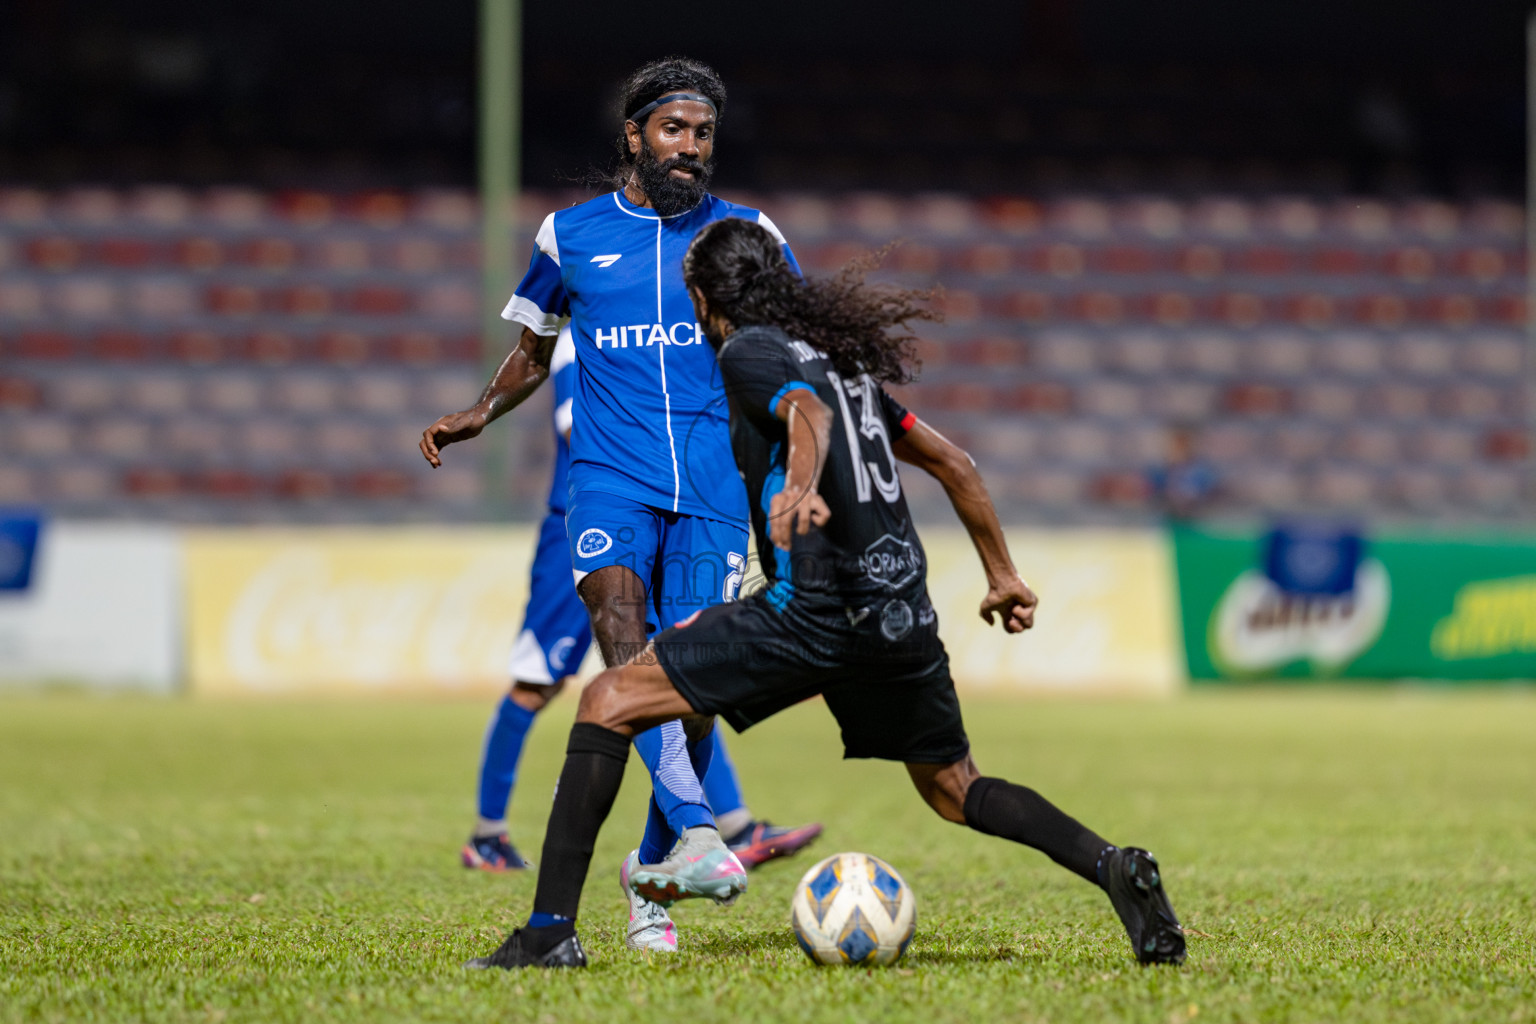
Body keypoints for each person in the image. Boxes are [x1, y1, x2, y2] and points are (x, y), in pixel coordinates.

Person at [465, 218, 1187, 970]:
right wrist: (1002, 574)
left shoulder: (748, 349)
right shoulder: (846, 367)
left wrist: (799, 487)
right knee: (953, 789)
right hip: (902, 615)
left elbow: (800, 414)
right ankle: (1113, 866)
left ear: (704, 298)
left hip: (813, 612)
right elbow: (957, 463)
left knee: (610, 698)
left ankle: (550, 933)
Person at [420, 57, 820, 951]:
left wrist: (800, 470)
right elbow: (535, 346)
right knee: (619, 627)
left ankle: (652, 881)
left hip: (720, 487)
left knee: (690, 690)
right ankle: (704, 830)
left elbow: (798, 353)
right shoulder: (571, 236)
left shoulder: (746, 234)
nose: (690, 147)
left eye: (704, 133)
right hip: (610, 475)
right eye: (674, 130)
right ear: (634, 135)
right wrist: (483, 409)